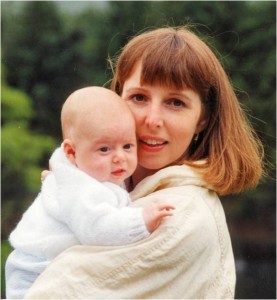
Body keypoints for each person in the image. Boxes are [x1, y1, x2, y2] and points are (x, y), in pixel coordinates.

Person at [25, 26, 264, 299]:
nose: (152, 119)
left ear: (202, 120)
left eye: (175, 103)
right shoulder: (106, 187)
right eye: (139, 98)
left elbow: (56, 290)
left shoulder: (179, 214)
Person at [5, 86, 174, 300]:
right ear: (71, 152)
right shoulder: (80, 187)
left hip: (45, 269)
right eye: (104, 149)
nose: (120, 157)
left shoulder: (81, 175)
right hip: (35, 274)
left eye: (128, 146)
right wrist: (141, 220)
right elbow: (97, 228)